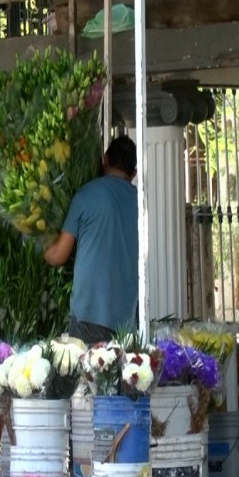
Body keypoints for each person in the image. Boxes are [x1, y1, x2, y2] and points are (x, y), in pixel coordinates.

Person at [44, 134, 138, 344]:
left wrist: (43, 243)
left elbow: (59, 255)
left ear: (105, 159)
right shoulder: (140, 202)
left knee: (89, 373)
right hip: (127, 316)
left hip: (89, 315)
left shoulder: (86, 195)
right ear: (133, 173)